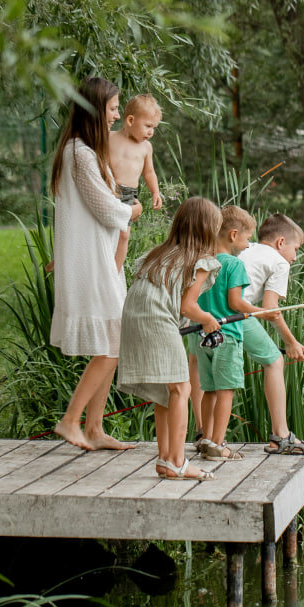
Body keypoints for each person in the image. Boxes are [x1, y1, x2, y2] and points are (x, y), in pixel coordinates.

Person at [49, 76, 142, 451]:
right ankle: (70, 420)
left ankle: (94, 428)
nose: (117, 115)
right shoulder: (80, 154)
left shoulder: (86, 151)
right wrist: (132, 210)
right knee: (113, 342)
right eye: (113, 108)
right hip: (90, 262)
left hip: (101, 258)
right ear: (94, 110)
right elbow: (107, 210)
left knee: (113, 342)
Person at [117, 197, 224, 480]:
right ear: (208, 229)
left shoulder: (159, 254)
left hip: (134, 317)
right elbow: (187, 306)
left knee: (167, 391)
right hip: (156, 319)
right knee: (181, 388)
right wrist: (207, 319)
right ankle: (178, 461)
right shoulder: (202, 261)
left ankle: (165, 459)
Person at [188, 206, 265, 461]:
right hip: (228, 337)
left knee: (209, 389)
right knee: (226, 390)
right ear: (233, 235)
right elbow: (236, 303)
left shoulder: (202, 263)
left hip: (201, 338)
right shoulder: (234, 264)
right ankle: (218, 444)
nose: (248, 244)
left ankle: (206, 439)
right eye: (247, 238)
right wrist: (263, 312)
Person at [238, 213, 304, 454]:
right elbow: (270, 309)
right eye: (296, 248)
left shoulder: (246, 248)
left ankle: (203, 433)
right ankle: (281, 436)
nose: (295, 256)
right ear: (281, 242)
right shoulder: (279, 262)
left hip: (204, 311)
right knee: (274, 360)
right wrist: (291, 342)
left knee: (198, 364)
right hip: (235, 313)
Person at [107, 93, 164, 273]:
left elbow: (149, 172)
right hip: (108, 190)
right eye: (148, 126)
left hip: (128, 195)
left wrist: (155, 192)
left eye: (154, 127)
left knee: (124, 236)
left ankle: (115, 272)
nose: (151, 132)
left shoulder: (146, 147)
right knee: (102, 231)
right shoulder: (109, 137)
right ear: (131, 120)